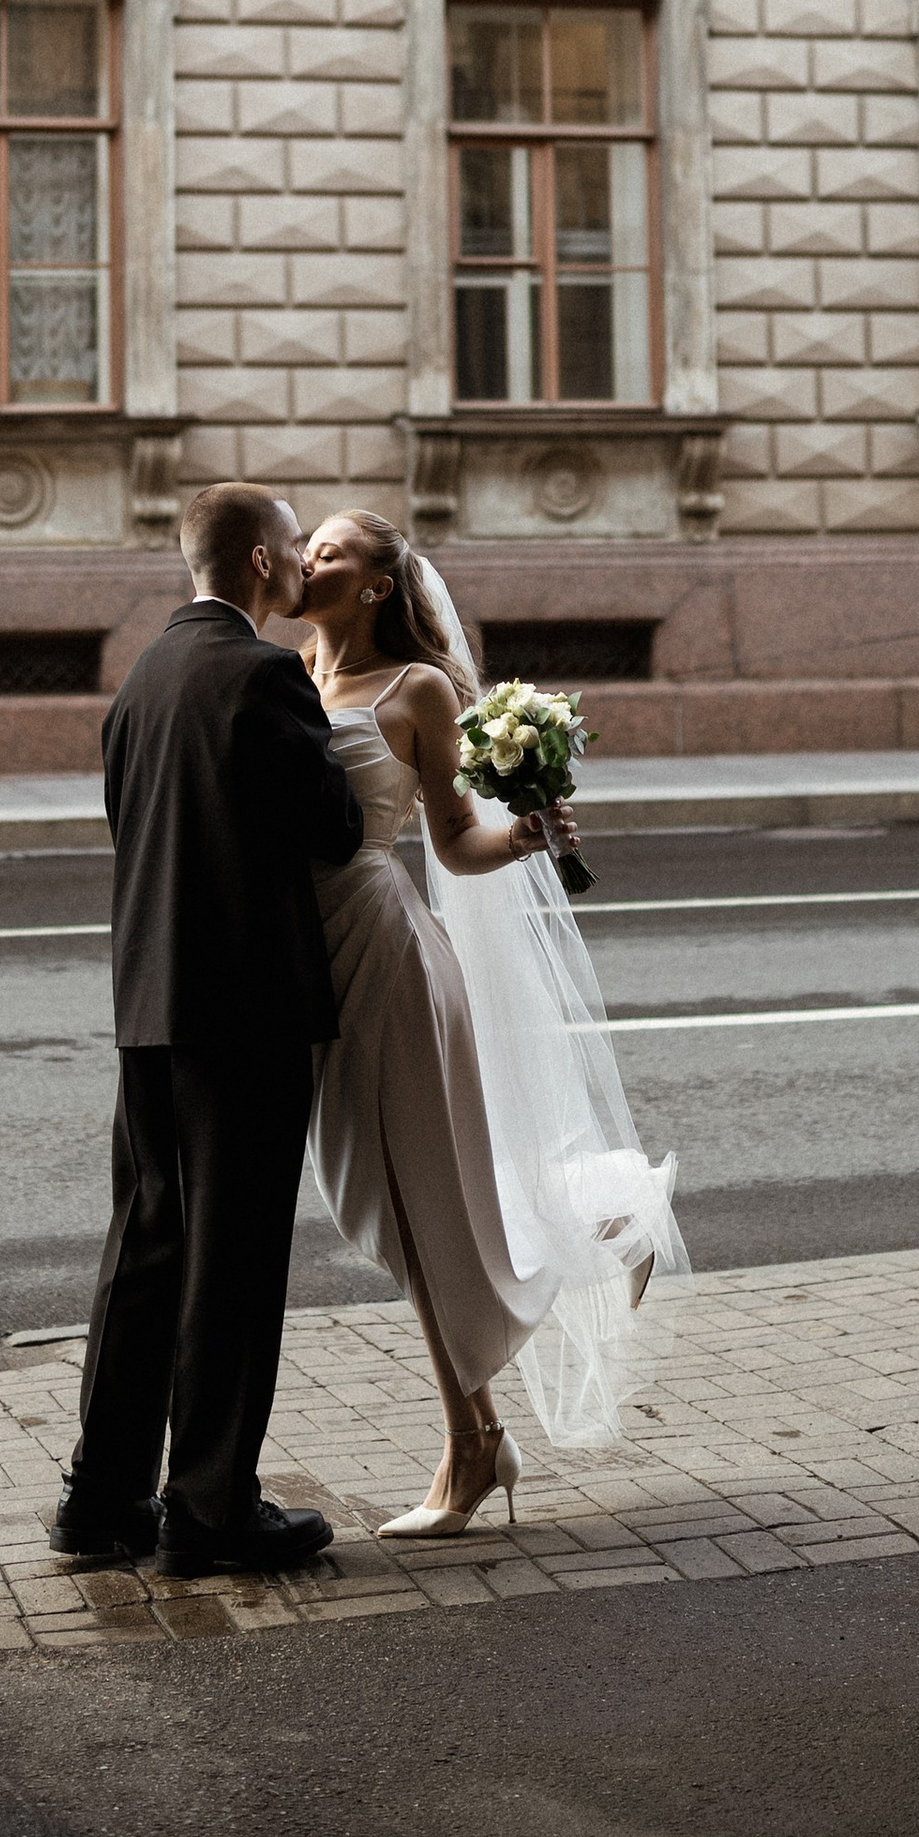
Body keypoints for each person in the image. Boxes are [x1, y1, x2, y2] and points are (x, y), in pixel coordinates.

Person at [298, 509, 685, 1539]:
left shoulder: (416, 689)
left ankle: (471, 1447)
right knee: (370, 1204)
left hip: (385, 952)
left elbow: (454, 841)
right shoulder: (291, 668)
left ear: (378, 585)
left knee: (417, 1207)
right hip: (312, 961)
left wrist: (524, 836)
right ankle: (607, 1223)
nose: (307, 560)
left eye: (329, 551)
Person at [55, 482, 364, 1577]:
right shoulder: (263, 673)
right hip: (244, 1014)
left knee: (142, 1256)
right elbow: (332, 829)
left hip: (148, 1008)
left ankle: (99, 1503)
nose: (299, 566)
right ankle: (211, 1509)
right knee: (229, 1267)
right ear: (258, 565)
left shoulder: (140, 676)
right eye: (291, 548)